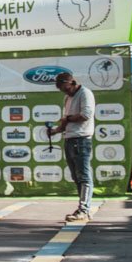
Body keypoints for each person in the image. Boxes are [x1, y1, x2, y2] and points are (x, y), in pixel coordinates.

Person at [50, 71, 95, 223]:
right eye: (61, 89)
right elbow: (66, 121)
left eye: (66, 88)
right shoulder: (67, 97)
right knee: (77, 177)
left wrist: (67, 119)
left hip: (81, 139)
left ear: (72, 82)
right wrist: (55, 130)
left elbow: (86, 115)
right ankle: (83, 208)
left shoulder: (85, 93)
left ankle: (84, 210)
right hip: (69, 138)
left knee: (84, 175)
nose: (65, 91)